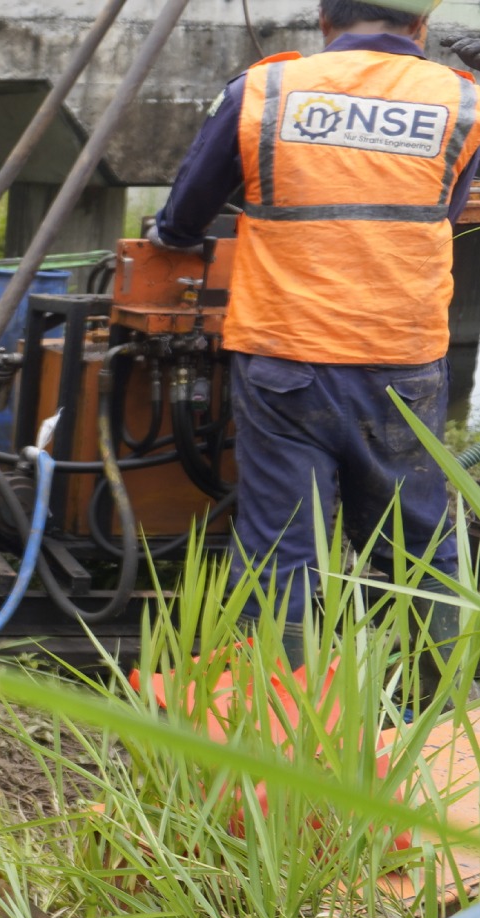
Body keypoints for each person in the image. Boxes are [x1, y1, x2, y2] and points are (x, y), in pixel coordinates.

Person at [151, 0, 478, 669]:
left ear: (325, 18)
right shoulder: (463, 104)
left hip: (284, 358)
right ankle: (435, 719)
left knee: (279, 547)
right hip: (401, 358)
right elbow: (442, 207)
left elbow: (184, 215)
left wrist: (171, 239)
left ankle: (273, 724)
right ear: (420, 25)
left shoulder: (263, 90)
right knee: (414, 543)